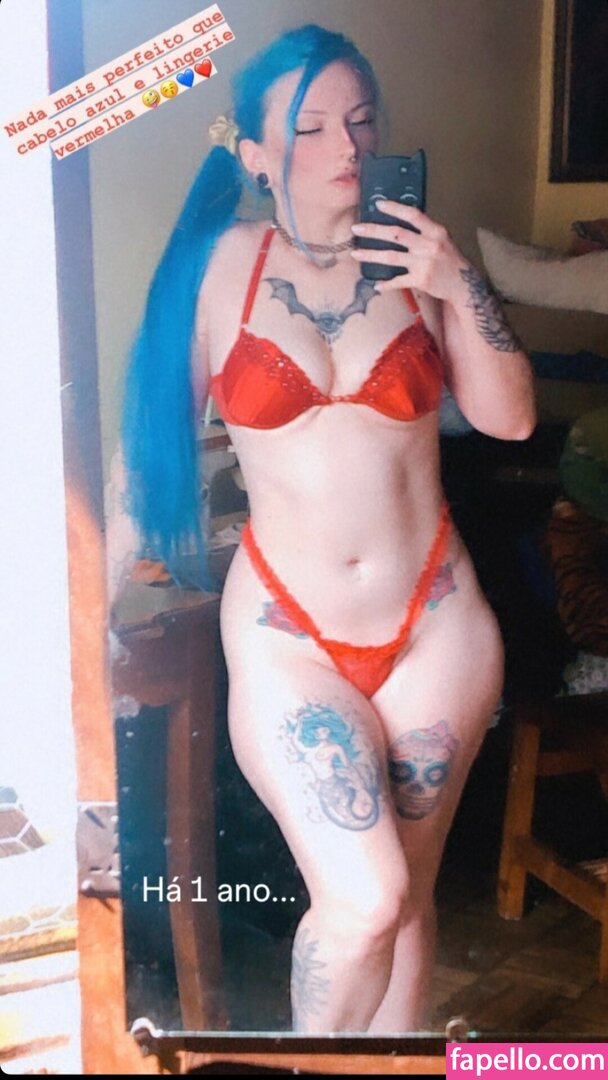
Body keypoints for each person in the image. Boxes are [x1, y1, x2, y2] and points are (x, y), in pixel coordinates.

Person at [115, 24, 536, 1034]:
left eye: (362, 121)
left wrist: (456, 282)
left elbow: (512, 420)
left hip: (434, 624)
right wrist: (95, 611)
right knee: (364, 898)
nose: (347, 145)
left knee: (408, 901)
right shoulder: (217, 268)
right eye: (310, 127)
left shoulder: (419, 261)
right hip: (289, 635)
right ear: (255, 155)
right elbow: (145, 459)